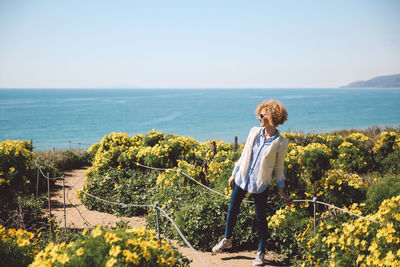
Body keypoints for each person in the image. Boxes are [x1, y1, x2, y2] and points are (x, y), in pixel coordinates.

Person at [212, 99, 292, 266]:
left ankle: (261, 251)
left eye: (262, 115)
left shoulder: (281, 143)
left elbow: (279, 168)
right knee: (232, 209)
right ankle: (227, 239)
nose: (258, 118)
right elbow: (244, 154)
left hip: (260, 183)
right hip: (242, 178)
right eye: (258, 114)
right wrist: (234, 173)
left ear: (271, 116)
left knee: (260, 218)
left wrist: (281, 189)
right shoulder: (254, 132)